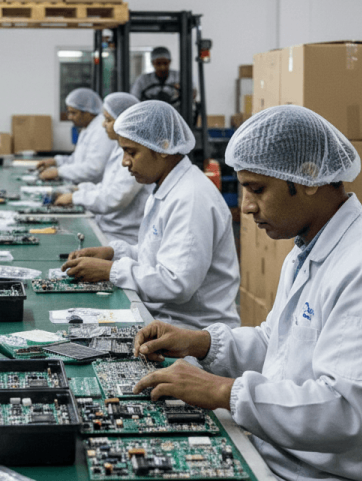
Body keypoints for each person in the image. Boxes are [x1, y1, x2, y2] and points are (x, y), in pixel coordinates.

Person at [132, 105, 362, 481]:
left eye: (257, 189)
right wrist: (201, 343)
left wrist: (223, 391)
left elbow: (343, 412)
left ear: (308, 176)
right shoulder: (309, 247)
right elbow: (278, 344)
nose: (246, 207)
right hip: (289, 462)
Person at [62, 100, 240, 329]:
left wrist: (110, 270)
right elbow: (157, 254)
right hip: (167, 320)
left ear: (163, 147)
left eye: (131, 152)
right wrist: (113, 252)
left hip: (193, 334)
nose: (125, 162)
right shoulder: (167, 187)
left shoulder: (191, 198)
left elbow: (176, 283)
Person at [53, 92, 151, 245]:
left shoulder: (136, 153)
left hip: (122, 237)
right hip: (108, 227)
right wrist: (79, 189)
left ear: (125, 122)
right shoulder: (120, 148)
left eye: (108, 120)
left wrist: (75, 197)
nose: (102, 124)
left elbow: (115, 197)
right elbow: (107, 187)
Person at [36, 87, 113, 184]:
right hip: (83, 187)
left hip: (93, 188)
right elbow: (77, 159)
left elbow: (93, 168)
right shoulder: (87, 128)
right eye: (69, 112)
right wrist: (56, 161)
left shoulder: (102, 131)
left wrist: (58, 172)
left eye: (73, 113)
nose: (69, 117)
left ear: (88, 112)